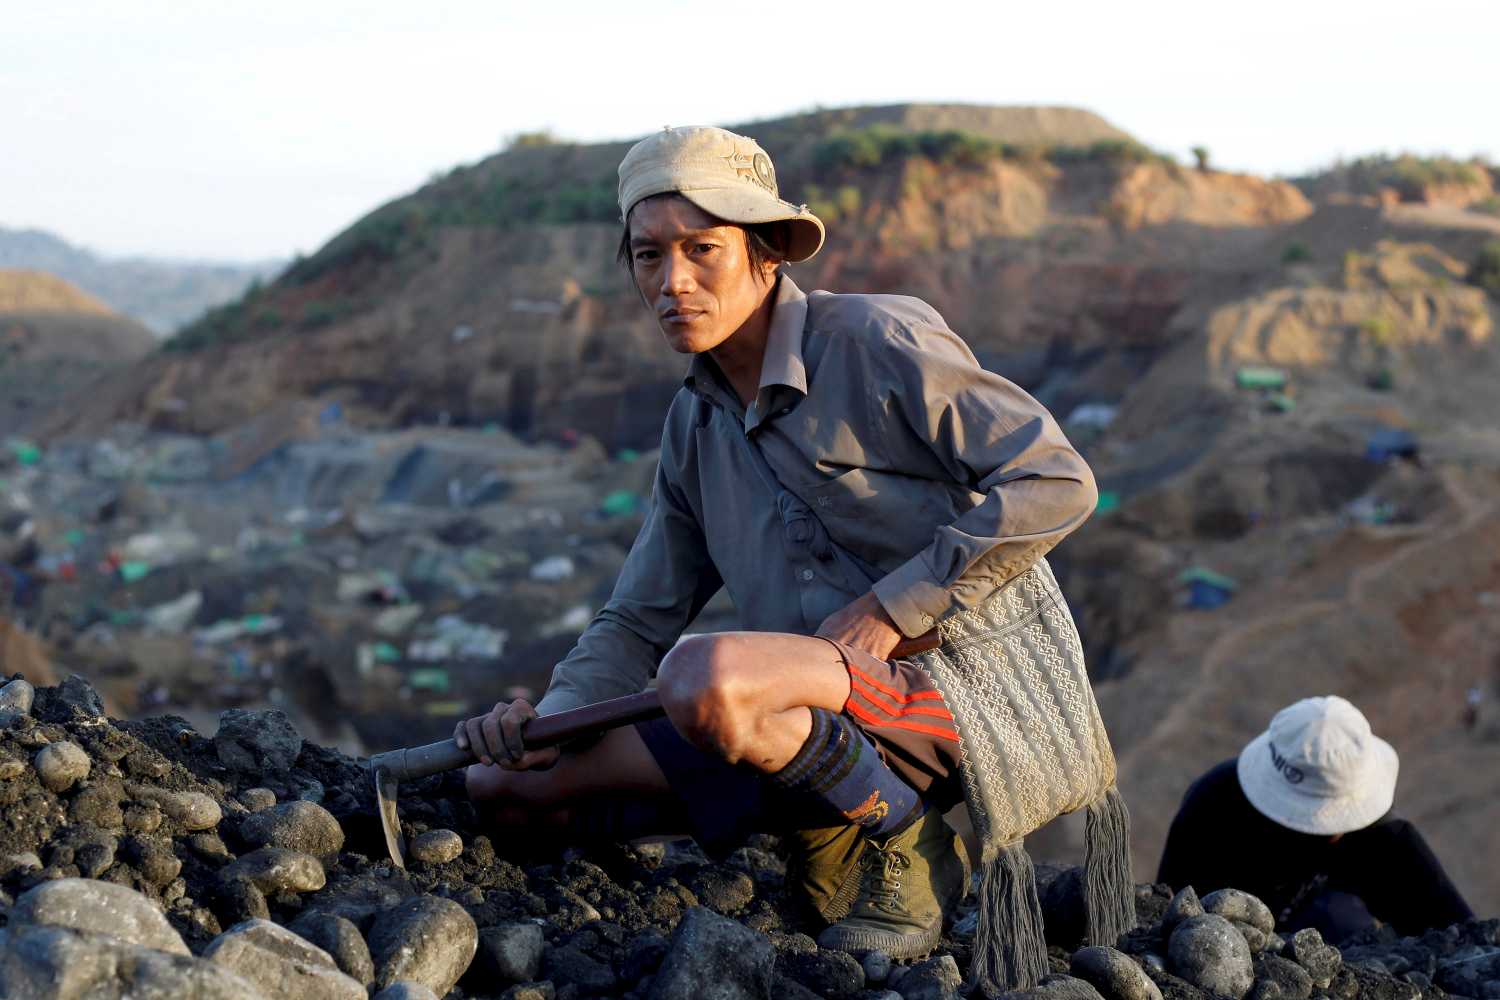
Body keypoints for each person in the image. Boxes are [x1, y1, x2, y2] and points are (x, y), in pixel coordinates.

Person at [455, 125, 1098, 958]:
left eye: (701, 250)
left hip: (950, 689)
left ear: (766, 256)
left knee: (704, 673)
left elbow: (1057, 479)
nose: (672, 281)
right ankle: (827, 815)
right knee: (499, 786)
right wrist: (548, 725)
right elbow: (636, 618)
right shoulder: (693, 424)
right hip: (796, 717)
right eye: (649, 256)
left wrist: (894, 607)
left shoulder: (878, 342)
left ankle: (907, 841)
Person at [1158, 696, 1473, 943]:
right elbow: (1166, 912)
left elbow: (1460, 934)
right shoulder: (1213, 809)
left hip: (1333, 950)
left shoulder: (1385, 839)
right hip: (1218, 954)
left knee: (1337, 919)